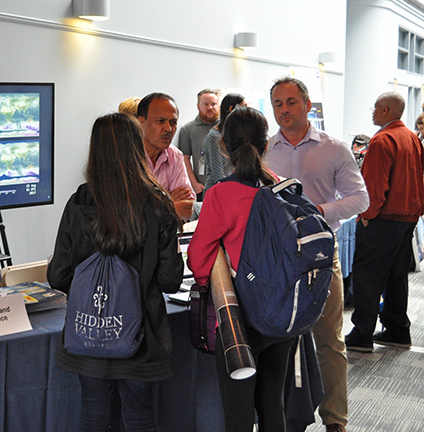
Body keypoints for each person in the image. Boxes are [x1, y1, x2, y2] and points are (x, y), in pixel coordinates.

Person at [47, 112, 184, 431]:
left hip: (88, 337)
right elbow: (170, 279)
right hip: (142, 339)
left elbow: (57, 276)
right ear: (136, 148)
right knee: (139, 419)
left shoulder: (79, 201)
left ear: (95, 150)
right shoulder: (158, 203)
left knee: (94, 418)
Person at [264, 77, 368, 432]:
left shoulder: (334, 148)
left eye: (291, 102)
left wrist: (318, 212)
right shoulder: (265, 151)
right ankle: (282, 418)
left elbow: (360, 199)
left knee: (328, 340)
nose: (284, 110)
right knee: (278, 341)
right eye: (278, 104)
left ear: (308, 105)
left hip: (321, 258)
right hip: (278, 263)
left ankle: (335, 420)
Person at [189, 106, 294, 432]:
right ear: (266, 146)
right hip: (283, 314)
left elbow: (198, 260)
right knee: (272, 406)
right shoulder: (284, 187)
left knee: (238, 414)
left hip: (240, 318)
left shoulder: (220, 194)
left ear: (223, 146)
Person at [346, 92, 424, 353]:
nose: (372, 111)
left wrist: (367, 216)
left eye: (376, 107)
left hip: (383, 218)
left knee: (368, 276)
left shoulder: (382, 140)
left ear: (387, 110)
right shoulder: (412, 137)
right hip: (407, 219)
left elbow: (374, 186)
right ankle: (397, 329)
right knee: (396, 276)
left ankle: (362, 334)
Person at [137, 92, 196, 221]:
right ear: (141, 122)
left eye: (173, 122)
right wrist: (168, 201)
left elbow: (186, 208)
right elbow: (130, 213)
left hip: (167, 238)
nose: (168, 129)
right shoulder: (127, 155)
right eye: (161, 121)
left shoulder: (175, 156)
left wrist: (152, 209)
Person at [178, 88, 221, 200]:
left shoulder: (226, 128)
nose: (210, 107)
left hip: (224, 187)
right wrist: (195, 184)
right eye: (206, 104)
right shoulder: (187, 130)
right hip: (202, 189)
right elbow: (185, 159)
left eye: (213, 104)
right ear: (198, 106)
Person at [203, 93, 246, 191]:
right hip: (217, 192)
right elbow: (218, 176)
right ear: (231, 109)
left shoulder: (233, 134)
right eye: (243, 107)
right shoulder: (214, 137)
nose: (246, 112)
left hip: (232, 189)